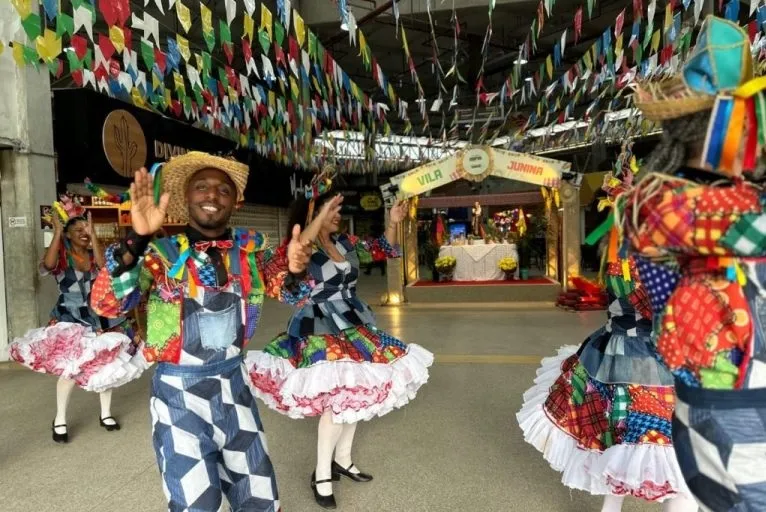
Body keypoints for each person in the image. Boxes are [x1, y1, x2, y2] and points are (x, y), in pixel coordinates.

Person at [90, 152, 335, 512]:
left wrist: (297, 268)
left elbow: (291, 291)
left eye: (223, 189)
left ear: (235, 201)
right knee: (196, 502)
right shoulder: (159, 254)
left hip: (235, 388)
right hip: (178, 396)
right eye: (201, 186)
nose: (212, 195)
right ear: (185, 198)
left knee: (259, 496)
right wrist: (136, 241)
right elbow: (108, 304)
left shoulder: (250, 252)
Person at [619, 16, 766, 510]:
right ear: (715, 128)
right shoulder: (663, 202)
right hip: (726, 382)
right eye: (751, 124)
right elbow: (744, 229)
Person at [516, 145, 698, 512]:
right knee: (669, 465)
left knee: (624, 448)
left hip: (616, 356)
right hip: (648, 364)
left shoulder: (631, 253)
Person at [246, 173, 433, 509]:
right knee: (336, 402)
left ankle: (342, 459)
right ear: (313, 209)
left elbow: (383, 249)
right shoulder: (299, 247)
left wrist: (392, 222)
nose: (337, 214)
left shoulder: (344, 242)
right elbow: (289, 280)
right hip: (317, 330)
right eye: (332, 207)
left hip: (356, 326)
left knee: (355, 396)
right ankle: (321, 474)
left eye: (338, 208)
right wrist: (313, 222)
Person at [10, 196, 146, 443]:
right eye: (78, 230)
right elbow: (48, 264)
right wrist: (58, 231)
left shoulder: (96, 256)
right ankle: (60, 418)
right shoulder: (63, 260)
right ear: (68, 235)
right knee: (71, 371)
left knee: (106, 365)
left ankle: (105, 414)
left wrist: (94, 237)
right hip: (71, 320)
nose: (83, 233)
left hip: (102, 318)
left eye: (86, 229)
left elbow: (107, 272)